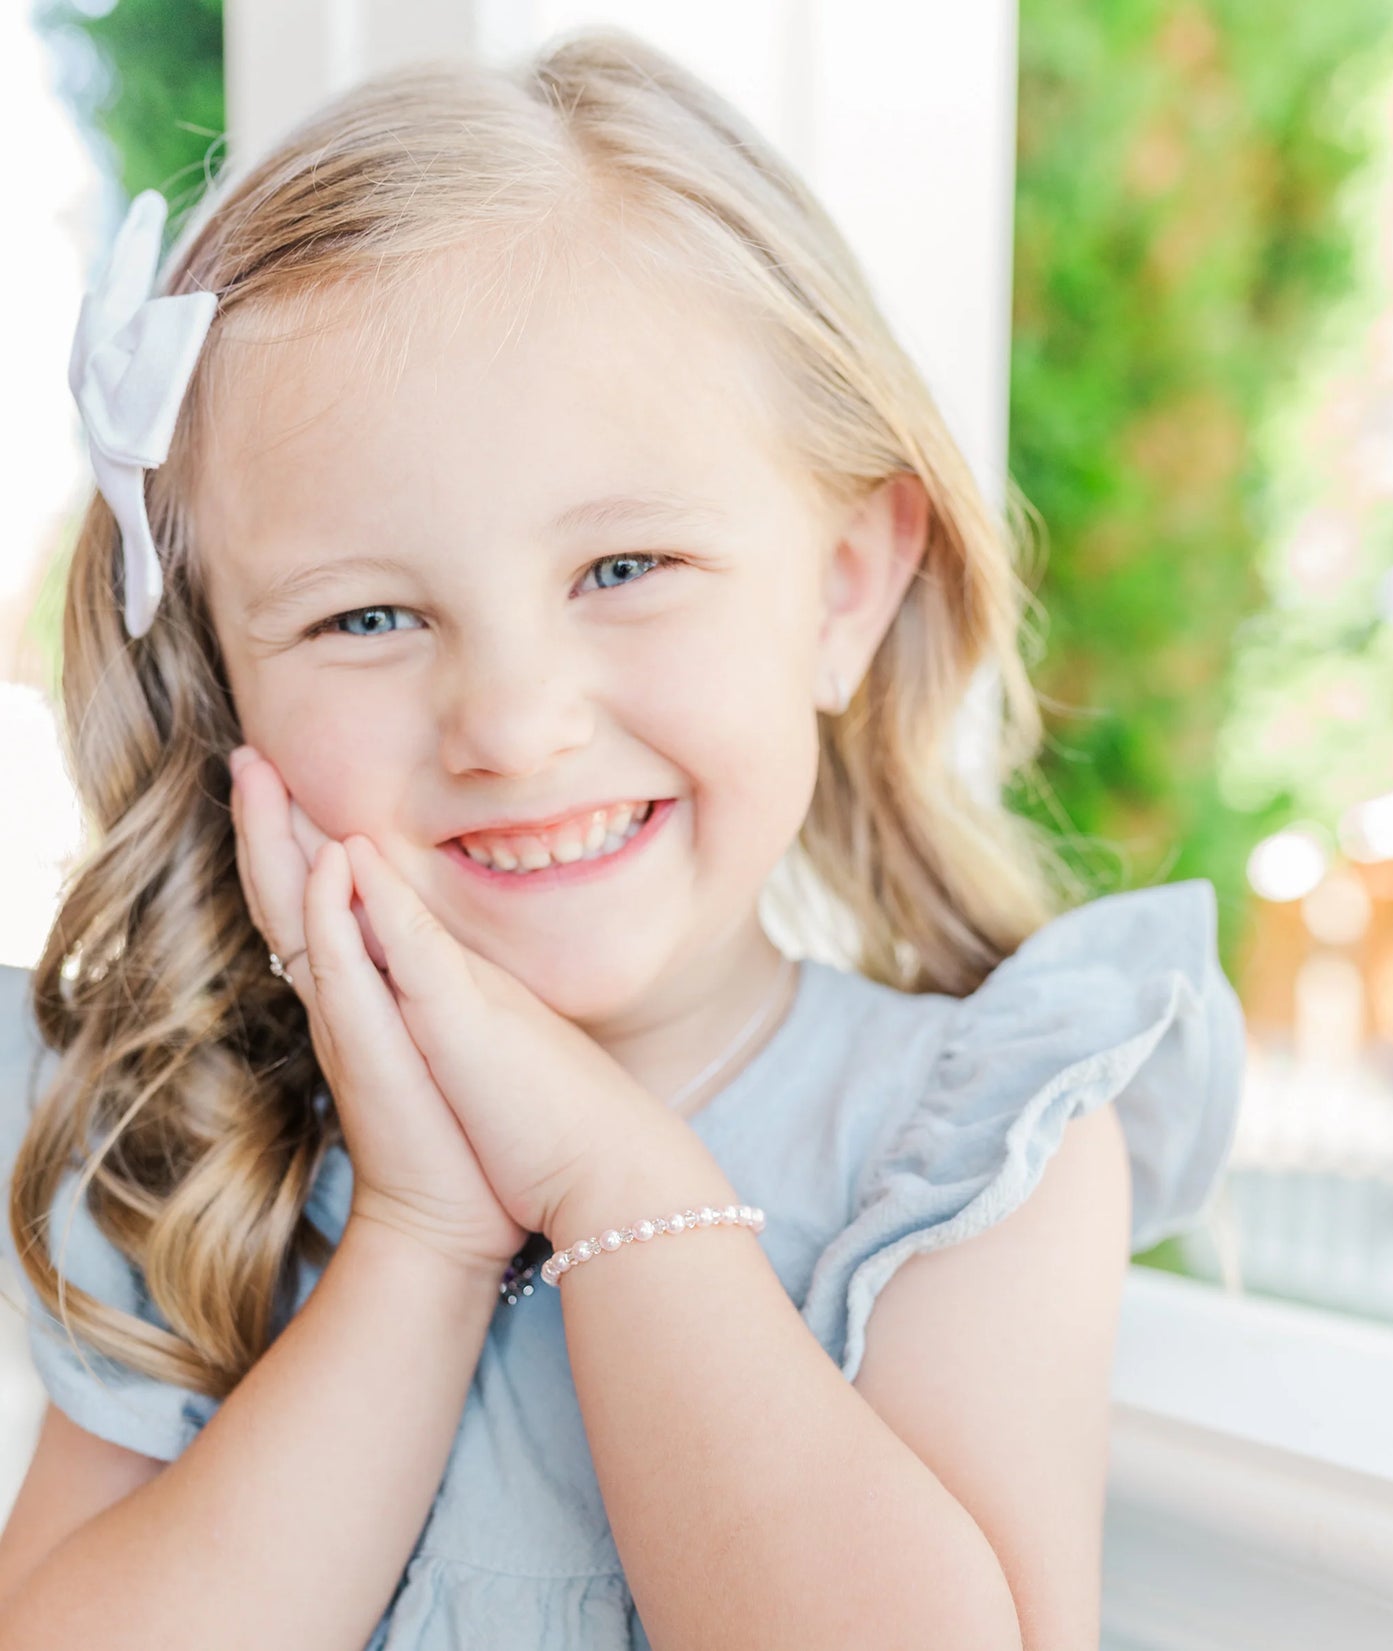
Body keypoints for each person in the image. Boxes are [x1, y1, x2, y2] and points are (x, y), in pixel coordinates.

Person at [0, 26, 1244, 1651]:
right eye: (367, 615)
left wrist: (606, 1175)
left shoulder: (970, 1147)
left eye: (624, 568)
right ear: (224, 697)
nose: (513, 724)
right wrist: (421, 1240)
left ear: (845, 589)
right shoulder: (194, 1154)